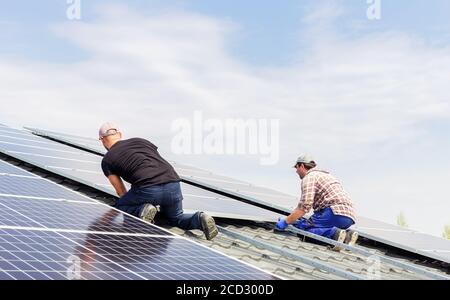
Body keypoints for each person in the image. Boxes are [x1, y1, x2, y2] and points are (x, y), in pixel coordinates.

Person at [98, 121, 218, 240]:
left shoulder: (107, 160)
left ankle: (142, 210)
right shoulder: (141, 141)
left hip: (148, 188)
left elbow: (121, 192)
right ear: (120, 135)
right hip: (173, 183)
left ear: (102, 140)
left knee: (120, 205)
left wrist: (135, 202)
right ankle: (199, 218)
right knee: (175, 217)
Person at [275, 155, 358, 245]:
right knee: (310, 224)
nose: (296, 171)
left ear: (302, 166)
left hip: (333, 213)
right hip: (348, 217)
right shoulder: (327, 175)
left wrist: (286, 221)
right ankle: (347, 234)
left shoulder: (310, 177)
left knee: (304, 231)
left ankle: (334, 233)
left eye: (296, 167)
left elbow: (305, 206)